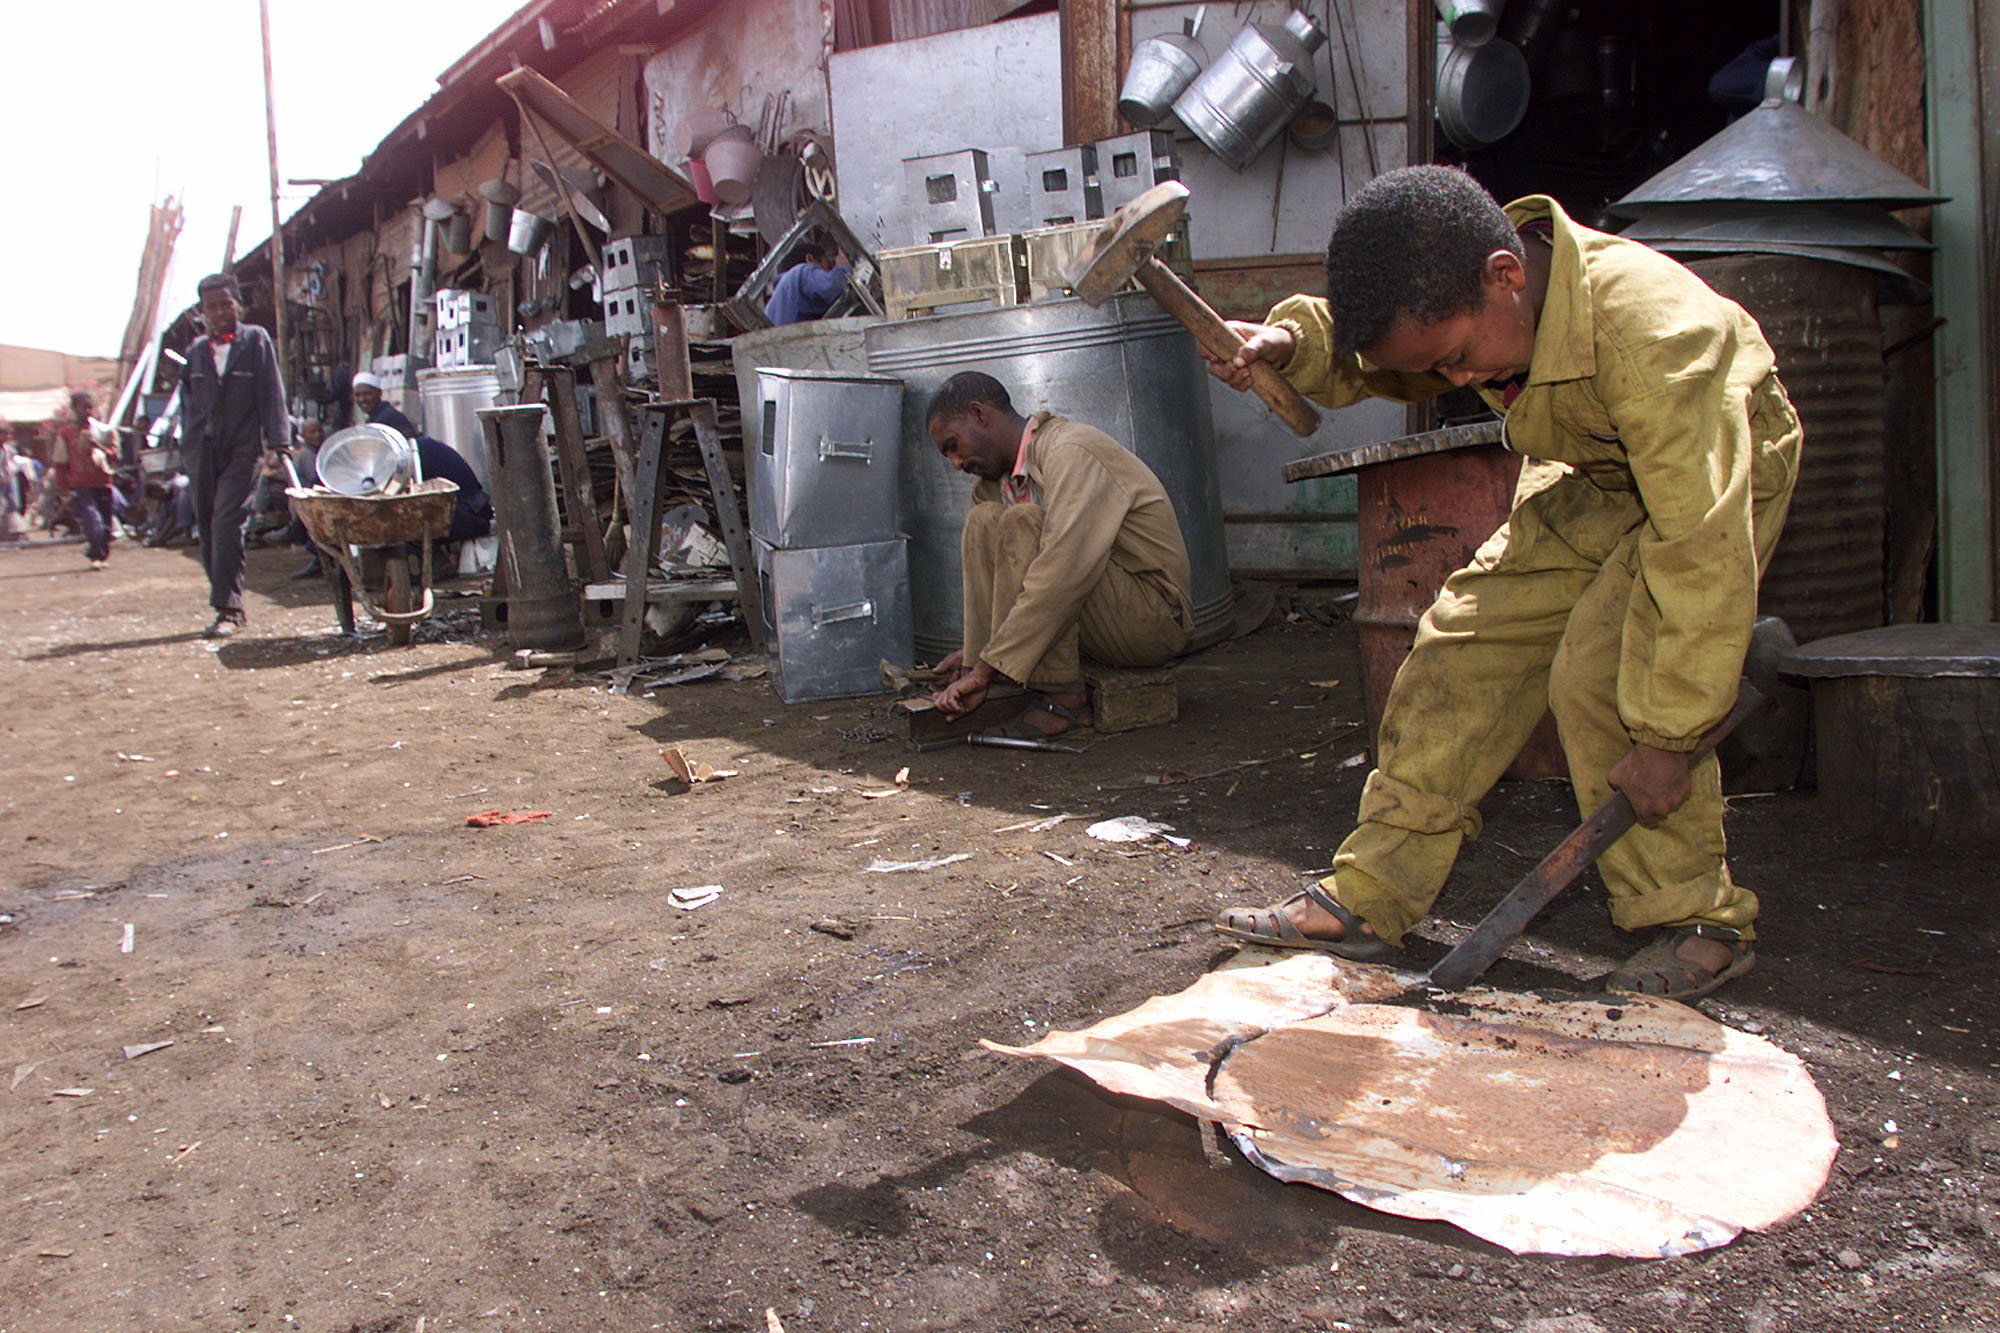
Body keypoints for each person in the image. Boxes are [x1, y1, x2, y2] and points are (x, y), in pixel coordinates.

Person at [1205, 165, 1801, 1001]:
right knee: (1460, 650)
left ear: (1506, 274)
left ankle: (1699, 921)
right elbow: (1395, 351)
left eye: (1455, 361)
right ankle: (1373, 895)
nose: (1452, 382)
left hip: (1708, 472)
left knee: (1599, 679)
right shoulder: (1472, 300)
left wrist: (1671, 736)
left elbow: (1697, 547)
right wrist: (1294, 346)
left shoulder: (1657, 343)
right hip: (1594, 470)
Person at [925, 371, 1194, 738]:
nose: (955, 462)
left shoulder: (1071, 451)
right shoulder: (993, 487)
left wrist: (990, 665)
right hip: (1096, 619)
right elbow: (1009, 580)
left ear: (979, 414)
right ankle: (998, 683)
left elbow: (1064, 572)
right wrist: (978, 654)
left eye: (953, 445)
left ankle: (1063, 699)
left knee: (1025, 523)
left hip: (1149, 619)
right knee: (984, 520)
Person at [179, 272, 288, 638]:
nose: (221, 311)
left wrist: (279, 439)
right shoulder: (195, 352)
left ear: (237, 303)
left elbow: (271, 392)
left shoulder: (255, 340)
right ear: (202, 311)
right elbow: (187, 406)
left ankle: (229, 608)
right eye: (212, 306)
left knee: (227, 521)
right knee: (209, 526)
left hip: (243, 449)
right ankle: (226, 598)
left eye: (226, 303)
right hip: (203, 451)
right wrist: (189, 451)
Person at [51, 390, 119, 569]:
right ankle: (95, 555)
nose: (88, 410)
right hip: (80, 484)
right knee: (92, 520)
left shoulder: (101, 430)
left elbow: (114, 456)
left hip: (103, 482)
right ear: (74, 408)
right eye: (84, 407)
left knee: (105, 522)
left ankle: (100, 555)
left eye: (90, 407)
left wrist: (98, 446)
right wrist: (62, 486)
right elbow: (61, 462)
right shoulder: (66, 433)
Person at [763, 238, 853, 326]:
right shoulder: (800, 273)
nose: (831, 271)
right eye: (828, 266)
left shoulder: (771, 308)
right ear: (809, 259)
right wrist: (844, 268)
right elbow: (832, 287)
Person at [351, 371, 418, 438]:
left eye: (367, 394)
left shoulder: (388, 418)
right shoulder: (376, 417)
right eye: (357, 395)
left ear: (379, 393)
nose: (362, 399)